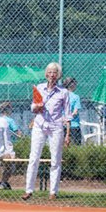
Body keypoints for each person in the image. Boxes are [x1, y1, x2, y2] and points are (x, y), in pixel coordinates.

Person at [23, 62, 69, 200]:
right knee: (34, 158)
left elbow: (66, 114)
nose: (52, 75)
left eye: (54, 72)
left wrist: (68, 134)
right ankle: (29, 190)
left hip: (55, 127)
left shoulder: (63, 92)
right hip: (39, 125)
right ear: (45, 74)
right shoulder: (39, 88)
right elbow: (33, 107)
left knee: (55, 160)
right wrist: (37, 108)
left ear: (58, 75)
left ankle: (53, 192)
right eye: (49, 72)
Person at [64, 77, 82, 145]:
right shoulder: (76, 97)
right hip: (74, 125)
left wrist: (64, 120)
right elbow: (75, 112)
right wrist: (68, 119)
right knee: (76, 145)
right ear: (73, 85)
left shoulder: (62, 96)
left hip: (62, 124)